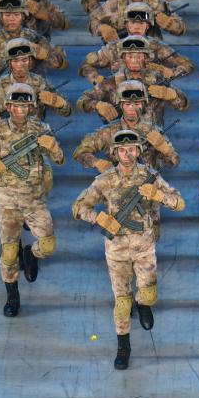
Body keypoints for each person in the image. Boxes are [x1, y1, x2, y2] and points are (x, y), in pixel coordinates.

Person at [72, 129, 186, 369]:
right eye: (122, 150)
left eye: (132, 149)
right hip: (117, 250)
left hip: (144, 247)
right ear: (115, 153)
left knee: (149, 294)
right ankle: (123, 346)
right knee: (122, 302)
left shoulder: (150, 176)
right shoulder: (105, 180)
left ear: (138, 151)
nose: (127, 154)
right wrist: (99, 218)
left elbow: (180, 203)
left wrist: (158, 195)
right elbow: (78, 207)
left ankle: (143, 304)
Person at [0, 84, 63, 316]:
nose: (20, 110)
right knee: (8, 253)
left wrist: (54, 147)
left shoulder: (42, 128)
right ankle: (12, 295)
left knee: (48, 245)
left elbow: (59, 158)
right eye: (15, 106)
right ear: (7, 106)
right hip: (6, 201)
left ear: (31, 107)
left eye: (25, 106)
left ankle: (30, 254)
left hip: (35, 200)